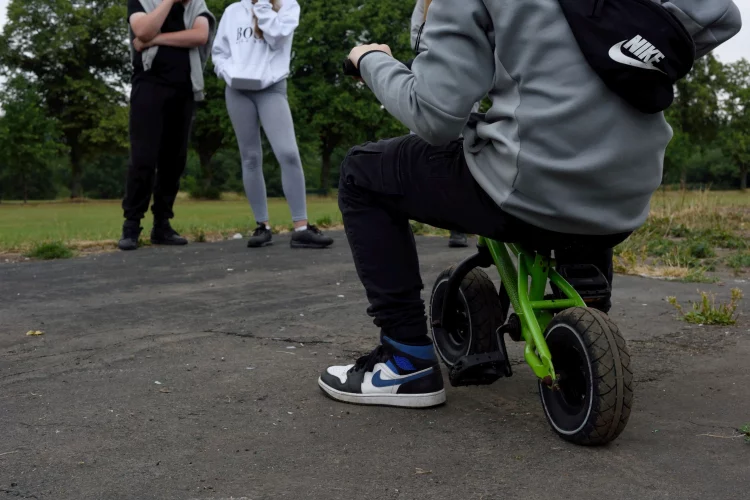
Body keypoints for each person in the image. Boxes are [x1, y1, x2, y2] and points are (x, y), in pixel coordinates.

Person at [318, 0, 741, 408]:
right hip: (628, 189)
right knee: (573, 154)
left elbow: (434, 116)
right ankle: (585, 295)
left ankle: (404, 359)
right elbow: (721, 13)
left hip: (530, 185)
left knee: (362, 172)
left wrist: (369, 59)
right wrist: (636, 54)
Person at [212, 0, 334, 249]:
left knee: (288, 153)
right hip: (237, 90)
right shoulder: (232, 11)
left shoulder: (288, 6)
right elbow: (219, 52)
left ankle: (301, 228)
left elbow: (277, 37)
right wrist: (226, 71)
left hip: (271, 88)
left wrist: (263, 8)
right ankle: (262, 226)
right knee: (250, 157)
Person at [119, 0, 216, 251]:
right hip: (148, 84)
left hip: (184, 88)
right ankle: (131, 225)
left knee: (174, 160)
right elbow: (142, 30)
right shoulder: (142, 1)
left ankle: (162, 224)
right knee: (143, 157)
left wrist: (155, 40)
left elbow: (200, 35)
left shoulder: (196, 5)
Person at [410, 0, 469, 249]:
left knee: (461, 149)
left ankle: (459, 226)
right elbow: (416, 38)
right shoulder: (422, 4)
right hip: (431, 75)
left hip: (466, 78)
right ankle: (414, 212)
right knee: (418, 144)